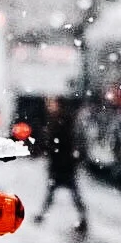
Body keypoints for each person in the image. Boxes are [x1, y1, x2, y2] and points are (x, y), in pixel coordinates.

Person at [33, 96, 88, 233]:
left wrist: (51, 150)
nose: (49, 106)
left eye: (51, 103)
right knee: (64, 192)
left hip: (63, 164)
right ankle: (82, 220)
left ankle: (82, 220)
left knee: (66, 192)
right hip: (62, 163)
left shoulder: (62, 120)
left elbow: (62, 142)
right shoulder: (59, 119)